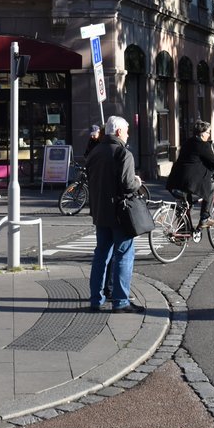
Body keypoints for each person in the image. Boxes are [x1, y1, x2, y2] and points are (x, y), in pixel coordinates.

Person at [86, 115, 140, 312]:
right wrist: (138, 182)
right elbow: (128, 185)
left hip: (100, 211)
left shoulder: (96, 151)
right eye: (126, 131)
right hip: (119, 213)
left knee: (101, 254)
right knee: (124, 254)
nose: (128, 134)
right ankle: (121, 301)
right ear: (118, 132)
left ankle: (95, 299)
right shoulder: (123, 153)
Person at [167, 119, 214, 227]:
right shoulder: (203, 145)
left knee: (186, 205)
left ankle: (182, 231)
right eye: (208, 132)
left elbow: (196, 162)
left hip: (174, 180)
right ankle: (205, 218)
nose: (209, 135)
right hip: (188, 181)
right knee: (211, 188)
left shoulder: (187, 142)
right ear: (202, 133)